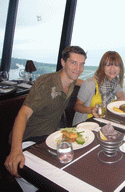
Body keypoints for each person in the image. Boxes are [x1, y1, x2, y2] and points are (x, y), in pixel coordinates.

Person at [4, 46, 87, 181]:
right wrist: (15, 151)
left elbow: (78, 80)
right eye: (73, 63)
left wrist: (93, 84)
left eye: (81, 64)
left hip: (49, 138)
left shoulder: (71, 81)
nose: (78, 68)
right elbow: (22, 114)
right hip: (28, 140)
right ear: (63, 62)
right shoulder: (46, 83)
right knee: (41, 179)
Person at [72, 51, 125, 125]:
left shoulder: (115, 83)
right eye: (108, 65)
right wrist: (91, 110)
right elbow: (77, 106)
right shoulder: (90, 83)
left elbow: (121, 97)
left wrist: (109, 107)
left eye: (116, 65)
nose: (112, 69)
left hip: (104, 121)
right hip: (85, 123)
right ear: (102, 67)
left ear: (120, 68)